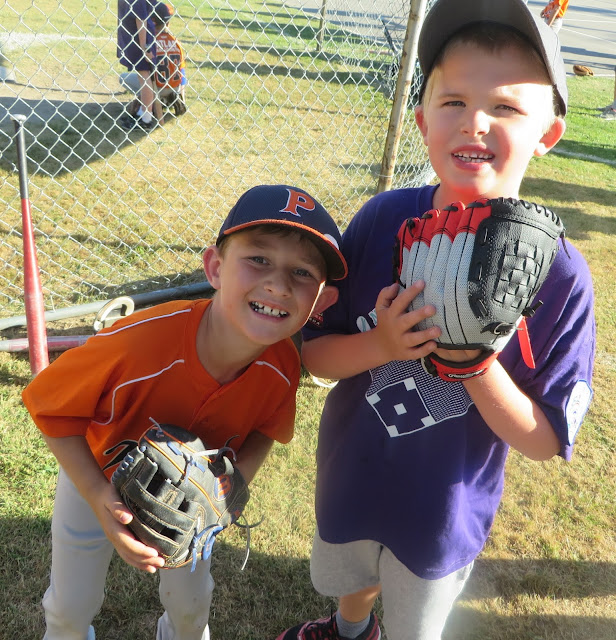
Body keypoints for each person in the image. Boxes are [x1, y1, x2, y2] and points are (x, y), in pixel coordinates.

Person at [274, 1, 595, 639]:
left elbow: (544, 440)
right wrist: (382, 343)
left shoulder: (561, 275)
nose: (474, 122)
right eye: (453, 101)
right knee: (351, 579)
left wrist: (474, 362)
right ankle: (348, 629)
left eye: (506, 106)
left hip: (443, 509)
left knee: (416, 618)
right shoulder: (382, 220)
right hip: (354, 471)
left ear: (548, 134)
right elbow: (312, 355)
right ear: (422, 122)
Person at [22, 184, 345, 640]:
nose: (278, 284)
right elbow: (49, 409)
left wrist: (233, 486)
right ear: (214, 267)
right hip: (96, 472)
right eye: (258, 258)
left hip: (195, 494)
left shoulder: (283, 365)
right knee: (69, 608)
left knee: (192, 608)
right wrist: (97, 496)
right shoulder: (138, 343)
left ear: (321, 303)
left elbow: (267, 429)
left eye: (302, 272)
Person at [119, 2, 187, 127]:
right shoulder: (176, 42)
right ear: (167, 23)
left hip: (157, 86)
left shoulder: (151, 42)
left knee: (123, 78)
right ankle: (166, 100)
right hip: (174, 88)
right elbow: (182, 73)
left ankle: (147, 103)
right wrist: (181, 96)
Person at [117, 0, 156, 131]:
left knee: (144, 74)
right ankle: (142, 113)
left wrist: (144, 46)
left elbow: (141, 18)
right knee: (142, 74)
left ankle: (146, 118)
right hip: (136, 35)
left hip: (140, 37)